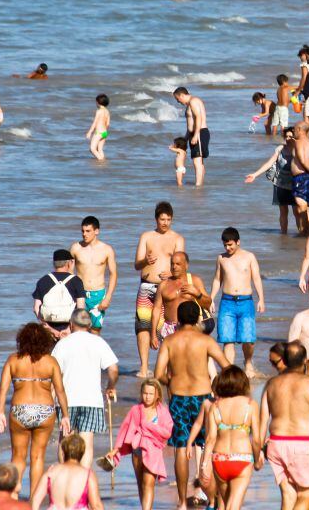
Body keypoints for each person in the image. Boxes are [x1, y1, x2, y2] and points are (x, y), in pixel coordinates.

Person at [155, 300, 229, 510]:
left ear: (178, 318)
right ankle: (212, 498)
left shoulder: (170, 341)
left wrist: (172, 381)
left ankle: (181, 502)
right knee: (207, 445)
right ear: (198, 318)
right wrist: (221, 389)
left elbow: (158, 374)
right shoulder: (205, 341)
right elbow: (226, 366)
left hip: (179, 398)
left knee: (181, 448)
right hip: (203, 398)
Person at [0, 323, 70, 494]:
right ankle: (34, 500)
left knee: (18, 457)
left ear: (22, 339)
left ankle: (13, 495)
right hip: (45, 411)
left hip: (20, 410)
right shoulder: (50, 362)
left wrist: (0, 413)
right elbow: (60, 391)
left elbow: (2, 389)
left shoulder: (13, 360)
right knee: (38, 457)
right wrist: (65, 415)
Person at [260, 340, 309, 510]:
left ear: (285, 360)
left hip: (275, 444)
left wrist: (258, 447)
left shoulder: (271, 383)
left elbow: (263, 419)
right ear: (304, 360)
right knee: (306, 494)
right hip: (301, 445)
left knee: (289, 494)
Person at [51, 309, 118, 468]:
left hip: (66, 400)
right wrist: (110, 386)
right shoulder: (98, 342)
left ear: (71, 324)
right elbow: (113, 369)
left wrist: (50, 396)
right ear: (89, 325)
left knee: (65, 439)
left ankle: (64, 473)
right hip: (91, 400)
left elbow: (53, 372)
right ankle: (83, 475)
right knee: (87, 442)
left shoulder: (62, 344)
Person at [192, 365, 260, 510]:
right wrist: (257, 459)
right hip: (241, 458)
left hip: (219, 459)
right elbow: (256, 439)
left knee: (226, 502)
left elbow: (210, 439)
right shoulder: (251, 405)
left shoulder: (216, 406)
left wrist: (204, 466)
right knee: (233, 505)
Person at [133, 201, 185, 378]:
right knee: (143, 326)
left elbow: (182, 264)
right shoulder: (146, 236)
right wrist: (145, 261)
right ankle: (144, 368)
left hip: (167, 288)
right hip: (146, 286)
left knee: (167, 327)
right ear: (156, 219)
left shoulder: (177, 239)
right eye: (162, 219)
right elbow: (136, 264)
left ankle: (166, 369)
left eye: (168, 219)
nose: (165, 223)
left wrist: (171, 272)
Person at [104, 378, 173, 510]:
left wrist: (149, 427)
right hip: (137, 451)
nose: (147, 397)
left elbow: (167, 432)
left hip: (153, 452)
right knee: (141, 484)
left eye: (151, 394)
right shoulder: (135, 410)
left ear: (157, 394)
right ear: (141, 393)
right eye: (145, 393)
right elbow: (125, 431)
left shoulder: (163, 412)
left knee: (148, 484)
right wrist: (115, 450)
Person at [212, 227, 265, 376]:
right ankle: (229, 371)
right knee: (227, 339)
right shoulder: (221, 258)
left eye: (230, 245)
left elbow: (256, 278)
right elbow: (217, 280)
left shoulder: (249, 257)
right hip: (227, 302)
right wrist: (211, 298)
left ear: (238, 242)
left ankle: (248, 363)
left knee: (248, 339)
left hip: (246, 302)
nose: (227, 248)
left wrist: (261, 299)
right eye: (225, 245)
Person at [151, 251, 212, 347]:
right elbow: (156, 309)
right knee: (168, 356)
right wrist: (153, 334)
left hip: (190, 328)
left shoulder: (195, 281)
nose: (174, 267)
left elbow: (208, 304)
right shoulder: (164, 284)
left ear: (186, 265)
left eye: (178, 264)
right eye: (172, 264)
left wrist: (197, 294)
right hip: (169, 328)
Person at [68, 215, 117, 334]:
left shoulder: (107, 249)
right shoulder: (75, 248)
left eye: (88, 231)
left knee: (95, 330)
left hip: (98, 294)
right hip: (80, 294)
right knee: (77, 330)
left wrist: (108, 298)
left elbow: (113, 274)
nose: (84, 234)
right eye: (83, 231)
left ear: (96, 231)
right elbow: (69, 272)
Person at [29, 433, 101, 510]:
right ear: (82, 453)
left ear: (63, 452)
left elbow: (35, 500)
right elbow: (96, 506)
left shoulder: (51, 472)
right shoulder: (87, 475)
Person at [31, 250, 86, 339]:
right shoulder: (76, 281)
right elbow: (80, 309)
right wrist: (69, 329)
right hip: (69, 328)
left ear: (54, 263)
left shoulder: (43, 280)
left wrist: (49, 329)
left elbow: (36, 308)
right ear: (69, 263)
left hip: (48, 328)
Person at [172, 86, 209, 186]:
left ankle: (198, 186)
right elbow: (191, 124)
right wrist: (185, 138)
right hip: (195, 133)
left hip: (199, 132)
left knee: (197, 161)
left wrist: (196, 135)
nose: (178, 102)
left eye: (177, 99)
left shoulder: (193, 101)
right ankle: (200, 185)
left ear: (182, 95)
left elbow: (198, 118)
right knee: (199, 161)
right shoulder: (191, 103)